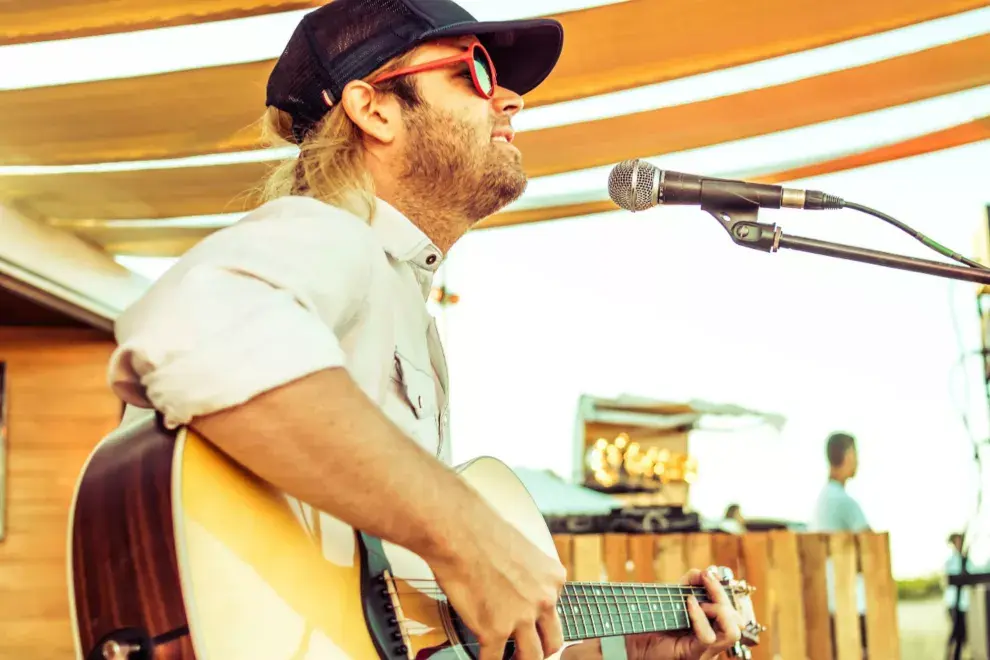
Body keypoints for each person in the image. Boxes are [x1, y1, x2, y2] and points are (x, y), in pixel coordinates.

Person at [105, 2, 744, 660]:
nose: (510, 100)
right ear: (374, 109)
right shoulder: (332, 235)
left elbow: (414, 627)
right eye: (473, 73)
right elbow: (189, 326)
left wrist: (627, 651)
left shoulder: (403, 301)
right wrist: (467, 534)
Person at [809, 431, 870, 657]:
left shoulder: (822, 499)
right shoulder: (843, 502)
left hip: (829, 598)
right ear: (848, 455)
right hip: (850, 599)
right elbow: (871, 548)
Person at [945, 532, 973, 658]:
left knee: (961, 634)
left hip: (964, 604)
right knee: (958, 633)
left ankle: (954, 656)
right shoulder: (952, 561)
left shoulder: (966, 560)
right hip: (954, 604)